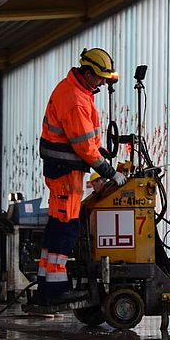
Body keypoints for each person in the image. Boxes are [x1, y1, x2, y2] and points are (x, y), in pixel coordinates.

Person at [36, 47, 127, 305]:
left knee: (57, 224)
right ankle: (55, 290)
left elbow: (85, 138)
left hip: (64, 170)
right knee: (67, 226)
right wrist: (109, 172)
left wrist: (99, 150)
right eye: (99, 77)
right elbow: (83, 146)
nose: (101, 82)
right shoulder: (75, 98)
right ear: (87, 73)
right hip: (65, 171)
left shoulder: (79, 91)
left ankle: (47, 286)